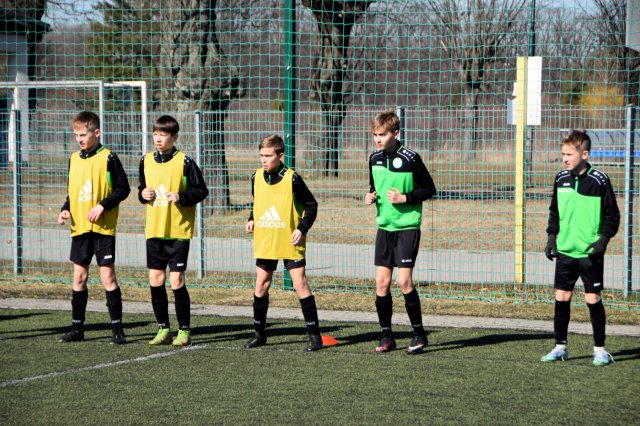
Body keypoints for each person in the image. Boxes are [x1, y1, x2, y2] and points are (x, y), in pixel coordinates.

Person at [542, 130, 620, 366]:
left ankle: (599, 350)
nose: (564, 158)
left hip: (589, 253)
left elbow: (613, 216)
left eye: (569, 154)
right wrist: (552, 238)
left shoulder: (600, 180)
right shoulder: (560, 179)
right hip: (566, 251)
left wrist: (601, 242)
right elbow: (554, 212)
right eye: (562, 153)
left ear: (584, 154)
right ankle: (560, 347)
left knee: (592, 298)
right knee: (561, 296)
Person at [364, 110, 437, 354]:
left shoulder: (411, 158)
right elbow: (375, 186)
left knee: (404, 281)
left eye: (382, 135)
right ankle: (387, 336)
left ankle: (419, 334)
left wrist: (405, 198)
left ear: (395, 133)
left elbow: (429, 189)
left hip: (407, 228)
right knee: (381, 284)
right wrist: (370, 196)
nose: (378, 139)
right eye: (375, 135)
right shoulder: (374, 159)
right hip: (384, 228)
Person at [244, 134, 323, 352]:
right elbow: (257, 202)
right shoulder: (256, 177)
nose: (263, 160)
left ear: (280, 155)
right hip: (267, 239)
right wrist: (251, 218)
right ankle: (259, 333)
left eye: (268, 156)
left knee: (300, 284)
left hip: (290, 240)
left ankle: (315, 335)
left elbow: (312, 206)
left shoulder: (293, 178)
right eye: (261, 155)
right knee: (261, 284)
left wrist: (301, 228)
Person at [57, 111, 131, 344]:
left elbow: (123, 189)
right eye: (76, 135)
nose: (79, 139)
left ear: (96, 133)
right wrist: (65, 208)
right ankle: (77, 329)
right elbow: (74, 191)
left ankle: (117, 329)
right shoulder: (74, 158)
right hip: (80, 228)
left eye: (83, 134)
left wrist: (102, 206)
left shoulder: (109, 157)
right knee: (79, 277)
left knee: (107, 276)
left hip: (102, 228)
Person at [138, 115, 208, 347]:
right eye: (156, 133)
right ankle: (163, 329)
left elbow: (201, 191)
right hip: (154, 230)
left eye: (164, 134)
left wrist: (181, 197)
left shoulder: (185, 162)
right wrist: (142, 195)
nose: (158, 138)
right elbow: (142, 189)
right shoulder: (145, 160)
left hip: (178, 231)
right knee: (156, 279)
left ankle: (184, 331)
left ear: (174, 137)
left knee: (176, 280)